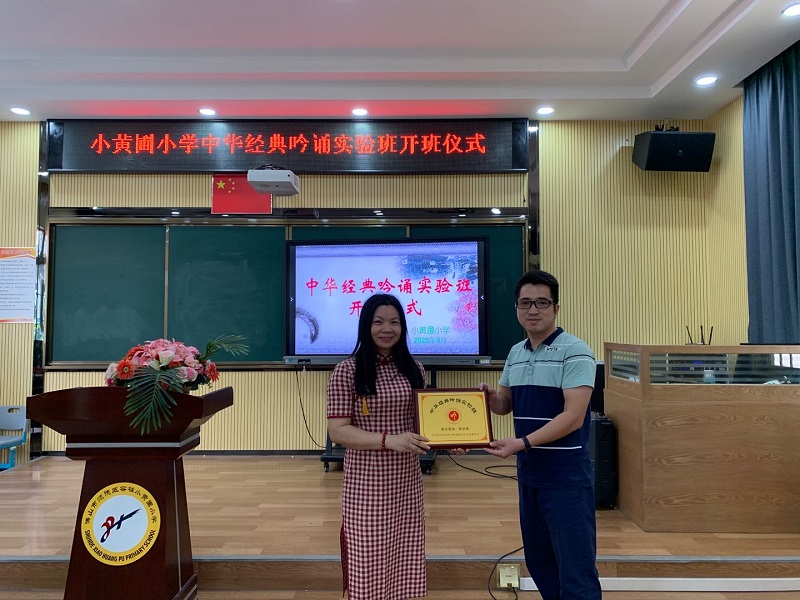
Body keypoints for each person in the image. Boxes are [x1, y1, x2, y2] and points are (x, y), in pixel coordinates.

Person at [479, 269, 602, 600]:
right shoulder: (516, 352)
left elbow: (573, 417)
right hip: (529, 475)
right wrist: (489, 399)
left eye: (542, 302)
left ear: (556, 308)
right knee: (541, 562)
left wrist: (522, 443)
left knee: (575, 568)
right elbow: (505, 404)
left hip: (566, 478)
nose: (533, 310)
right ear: (516, 307)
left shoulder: (575, 351)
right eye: (525, 303)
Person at [326, 293, 431, 600]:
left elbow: (423, 423)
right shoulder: (347, 370)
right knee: (367, 551)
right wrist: (388, 440)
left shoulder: (415, 368)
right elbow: (338, 432)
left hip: (406, 480)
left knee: (405, 548)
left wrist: (453, 441)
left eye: (395, 322)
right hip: (366, 481)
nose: (387, 329)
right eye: (379, 322)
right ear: (366, 326)